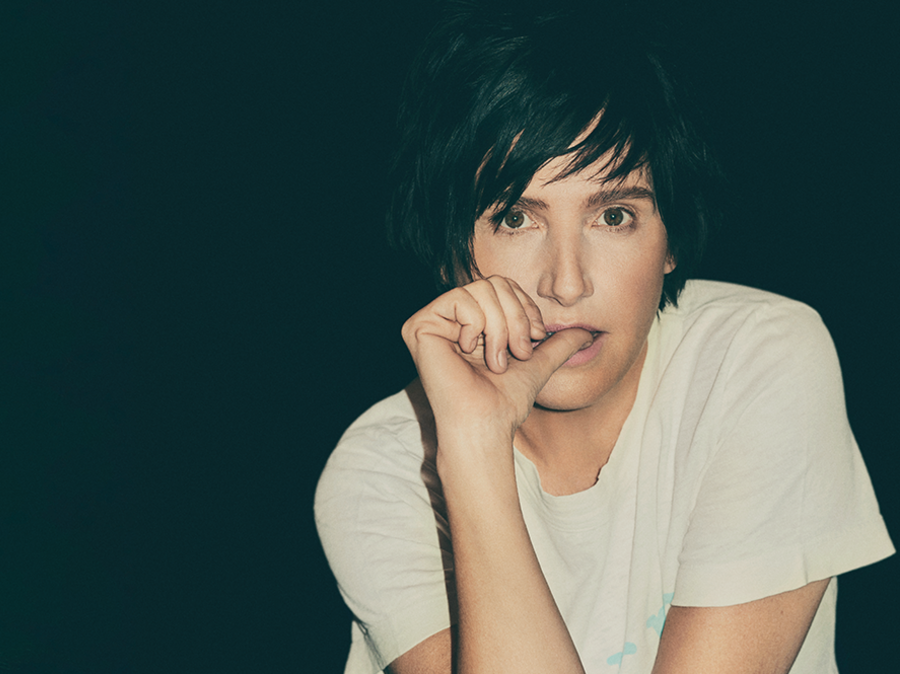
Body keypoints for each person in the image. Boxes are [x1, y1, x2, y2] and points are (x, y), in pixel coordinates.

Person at [313, 3, 894, 673]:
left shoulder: (754, 361)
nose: (565, 283)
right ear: (450, 253)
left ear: (670, 239)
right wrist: (473, 450)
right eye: (514, 217)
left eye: (614, 216)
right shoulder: (382, 471)